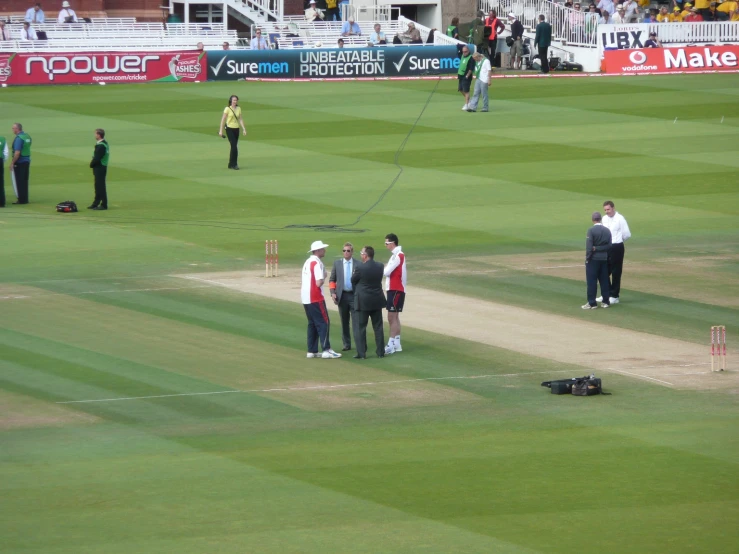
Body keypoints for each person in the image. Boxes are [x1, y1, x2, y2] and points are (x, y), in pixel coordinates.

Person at [302, 240, 341, 359]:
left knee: (312, 323)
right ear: (318, 251)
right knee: (324, 322)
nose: (325, 250)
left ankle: (312, 350)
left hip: (306, 298)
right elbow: (319, 283)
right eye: (323, 249)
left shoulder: (308, 262)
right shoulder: (317, 263)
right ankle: (326, 349)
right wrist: (324, 277)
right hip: (315, 297)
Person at [350, 246, 386, 359]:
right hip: (376, 300)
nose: (361, 255)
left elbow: (353, 280)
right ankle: (380, 352)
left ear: (365, 255)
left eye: (361, 253)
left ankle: (362, 353)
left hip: (363, 301)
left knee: (361, 327)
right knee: (378, 327)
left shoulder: (359, 267)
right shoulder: (380, 266)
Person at [329, 242, 360, 351]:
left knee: (356, 321)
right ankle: (346, 344)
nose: (346, 252)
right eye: (344, 250)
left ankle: (359, 344)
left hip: (353, 295)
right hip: (342, 296)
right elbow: (332, 279)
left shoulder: (358, 264)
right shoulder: (337, 263)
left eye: (348, 251)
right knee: (344, 321)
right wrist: (332, 292)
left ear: (352, 252)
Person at [600, 200, 631, 305]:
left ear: (613, 208)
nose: (606, 211)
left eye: (608, 209)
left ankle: (614, 296)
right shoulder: (604, 219)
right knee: (604, 271)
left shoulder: (620, 219)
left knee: (616, 272)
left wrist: (618, 241)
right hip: (606, 247)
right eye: (605, 210)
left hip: (617, 247)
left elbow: (627, 234)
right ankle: (607, 293)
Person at [582, 212, 612, 309]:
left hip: (593, 260)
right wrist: (599, 249)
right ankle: (606, 301)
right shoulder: (607, 231)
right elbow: (609, 246)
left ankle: (592, 303)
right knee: (604, 281)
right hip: (604, 259)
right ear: (601, 219)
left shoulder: (591, 230)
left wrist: (587, 258)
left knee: (591, 282)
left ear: (592, 220)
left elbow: (589, 247)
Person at [383, 233, 406, 354]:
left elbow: (386, 272)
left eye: (387, 243)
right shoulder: (396, 255)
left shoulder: (398, 255)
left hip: (396, 289)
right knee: (395, 317)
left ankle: (391, 344)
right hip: (395, 289)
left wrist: (383, 268)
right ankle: (397, 343)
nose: (386, 246)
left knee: (391, 317)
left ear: (392, 243)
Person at [218, 95, 247, 170]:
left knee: (233, 146)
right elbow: (223, 120)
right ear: (231, 101)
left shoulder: (238, 108)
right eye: (234, 100)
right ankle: (234, 164)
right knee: (234, 147)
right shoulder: (227, 109)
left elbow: (240, 119)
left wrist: (244, 129)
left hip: (236, 129)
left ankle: (230, 164)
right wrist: (221, 130)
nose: (235, 102)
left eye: (236, 100)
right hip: (229, 129)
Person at [10, 123, 31, 205]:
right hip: (27, 160)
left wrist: (12, 162)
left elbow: (17, 153)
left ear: (17, 129)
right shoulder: (27, 136)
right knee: (25, 180)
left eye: (13, 128)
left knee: (19, 181)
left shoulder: (19, 138)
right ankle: (25, 198)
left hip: (20, 162)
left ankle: (21, 199)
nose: (12, 130)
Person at [88, 128, 109, 210]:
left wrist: (91, 164)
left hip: (100, 167)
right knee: (97, 185)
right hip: (100, 167)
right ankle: (96, 203)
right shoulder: (103, 143)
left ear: (99, 135)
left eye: (95, 134)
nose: (94, 135)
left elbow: (97, 158)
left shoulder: (101, 146)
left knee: (100, 186)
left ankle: (104, 204)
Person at [457, 45, 475, 111]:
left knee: (466, 90)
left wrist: (467, 76)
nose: (464, 53)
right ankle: (469, 101)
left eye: (465, 51)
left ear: (468, 51)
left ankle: (467, 104)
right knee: (460, 89)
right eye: (463, 51)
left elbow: (471, 68)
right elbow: (458, 49)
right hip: (461, 75)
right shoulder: (462, 56)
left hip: (466, 76)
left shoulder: (471, 58)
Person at [0, 132, 7, 207]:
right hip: (0, 160)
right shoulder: (2, 139)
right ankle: (2, 202)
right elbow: (6, 153)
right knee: (1, 182)